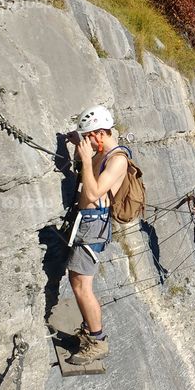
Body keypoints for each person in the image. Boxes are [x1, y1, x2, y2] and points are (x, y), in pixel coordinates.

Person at [64, 105, 128, 365]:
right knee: (77, 282)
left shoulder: (118, 159)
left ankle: (97, 341)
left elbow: (92, 193)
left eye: (89, 136)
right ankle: (92, 331)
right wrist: (78, 147)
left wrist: (87, 158)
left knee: (81, 285)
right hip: (87, 222)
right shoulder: (104, 151)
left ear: (101, 133)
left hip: (94, 226)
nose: (88, 142)